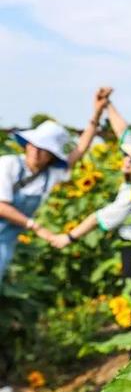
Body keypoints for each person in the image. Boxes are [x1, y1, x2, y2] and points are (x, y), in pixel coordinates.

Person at [0, 88, 111, 284]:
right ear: (26, 144)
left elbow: (80, 150)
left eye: (44, 149)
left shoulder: (48, 176)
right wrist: (36, 227)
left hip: (5, 242)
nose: (36, 151)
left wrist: (97, 113)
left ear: (52, 156)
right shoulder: (8, 164)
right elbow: (1, 206)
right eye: (34, 144)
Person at [50, 97, 131, 277]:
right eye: (127, 156)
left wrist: (68, 237)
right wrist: (107, 103)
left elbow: (98, 218)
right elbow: (123, 131)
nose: (127, 160)